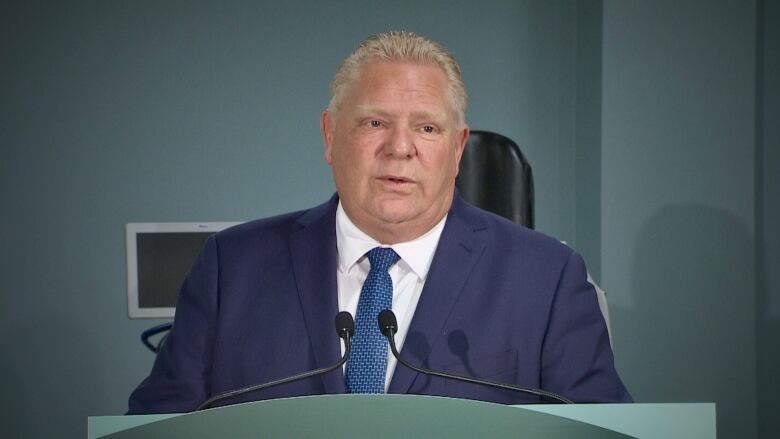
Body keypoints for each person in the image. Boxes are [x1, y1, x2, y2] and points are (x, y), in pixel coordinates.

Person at [128, 31, 631, 414]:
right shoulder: (230, 268)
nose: (399, 147)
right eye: (374, 122)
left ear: (457, 150)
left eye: (427, 127)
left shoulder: (547, 278)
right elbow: (157, 426)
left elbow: (602, 432)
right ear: (329, 136)